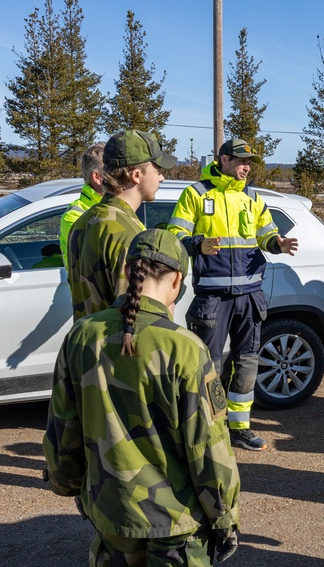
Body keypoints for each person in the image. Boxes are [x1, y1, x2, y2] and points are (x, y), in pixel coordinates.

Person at [43, 228, 241, 567]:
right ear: (176, 281)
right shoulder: (184, 348)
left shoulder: (82, 336)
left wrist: (72, 487)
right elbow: (209, 450)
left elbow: (63, 429)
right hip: (175, 521)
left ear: (128, 274)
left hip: (111, 510)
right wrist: (225, 518)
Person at [167, 138, 299, 452]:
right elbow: (175, 236)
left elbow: (266, 234)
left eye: (249, 162)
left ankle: (239, 429)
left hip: (250, 295)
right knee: (206, 365)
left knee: (247, 363)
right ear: (223, 160)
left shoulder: (253, 198)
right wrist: (198, 244)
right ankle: (207, 430)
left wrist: (276, 244)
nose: (246, 168)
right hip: (213, 298)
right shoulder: (197, 194)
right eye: (241, 161)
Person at [67, 130, 175, 320]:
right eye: (157, 171)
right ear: (136, 175)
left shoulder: (83, 221)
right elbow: (139, 316)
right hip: (117, 346)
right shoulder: (127, 233)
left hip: (88, 344)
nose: (161, 178)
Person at [60, 142, 106, 272]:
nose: (120, 177)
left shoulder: (123, 206)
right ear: (97, 177)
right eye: (113, 171)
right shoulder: (75, 216)